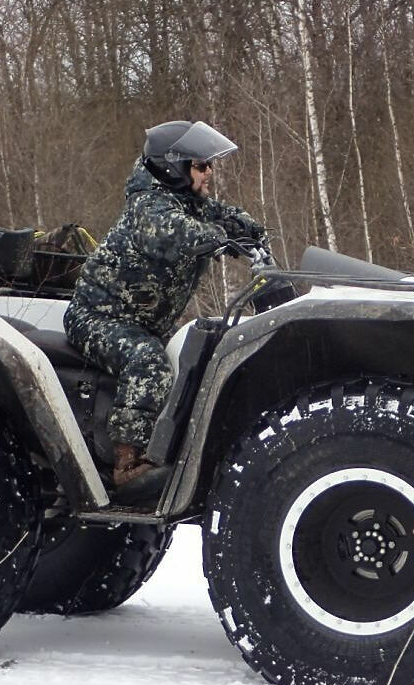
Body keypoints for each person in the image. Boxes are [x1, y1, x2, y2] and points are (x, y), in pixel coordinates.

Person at [63, 120, 265, 502]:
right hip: (98, 317)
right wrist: (220, 241)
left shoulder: (190, 204)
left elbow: (224, 215)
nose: (209, 174)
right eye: (201, 166)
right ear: (174, 166)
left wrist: (251, 231)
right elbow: (174, 233)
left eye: (210, 166)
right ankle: (126, 463)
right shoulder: (149, 207)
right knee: (148, 361)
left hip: (142, 322)